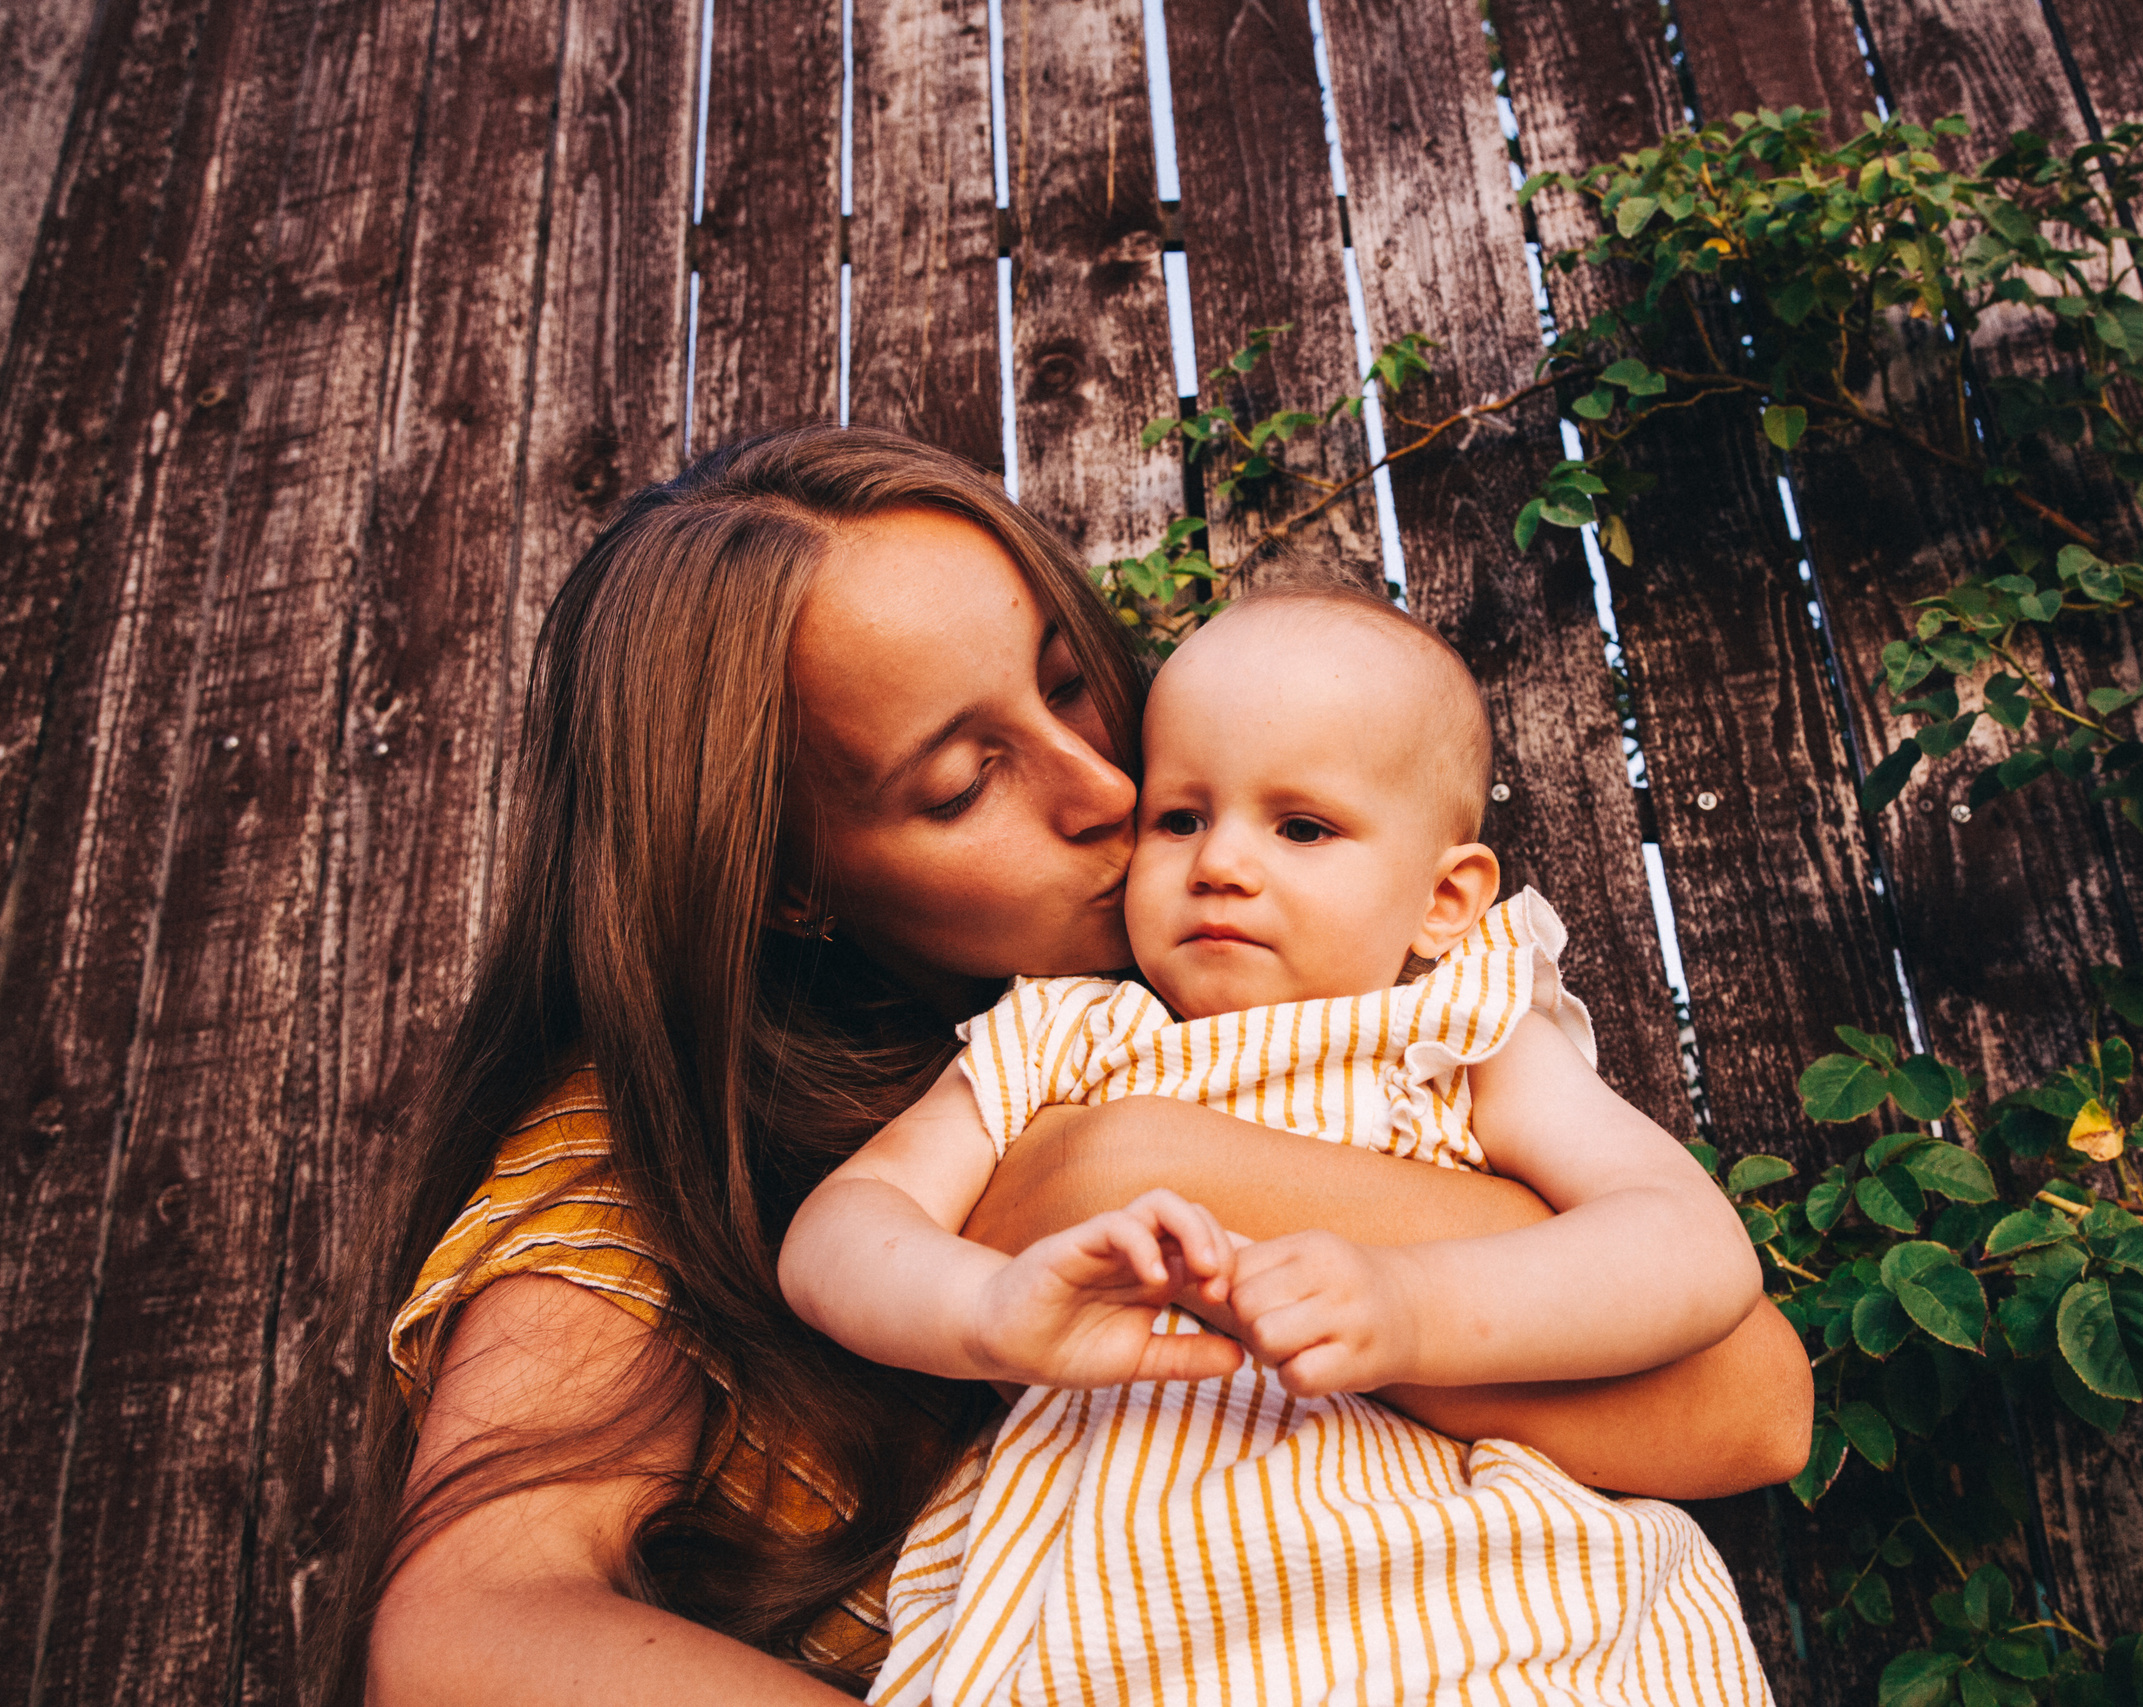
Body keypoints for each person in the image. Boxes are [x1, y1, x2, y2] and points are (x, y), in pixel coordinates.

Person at [322, 425, 1812, 1704]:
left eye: (1069, 681)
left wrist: (1133, 1168)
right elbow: (466, 1627)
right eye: (971, 778)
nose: (1110, 789)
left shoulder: (1375, 989)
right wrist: (999, 1268)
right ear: (788, 881)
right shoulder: (665, 1139)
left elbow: (1748, 1400)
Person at [780, 583, 1774, 1703]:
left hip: (1454, 1597)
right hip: (1112, 1611)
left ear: (1445, 901)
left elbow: (1687, 1242)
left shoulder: (1463, 1034)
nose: (1220, 864)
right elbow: (842, 1229)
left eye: (1300, 827)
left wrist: (1413, 1306)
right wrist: (983, 1311)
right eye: (1181, 818)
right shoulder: (1064, 1034)